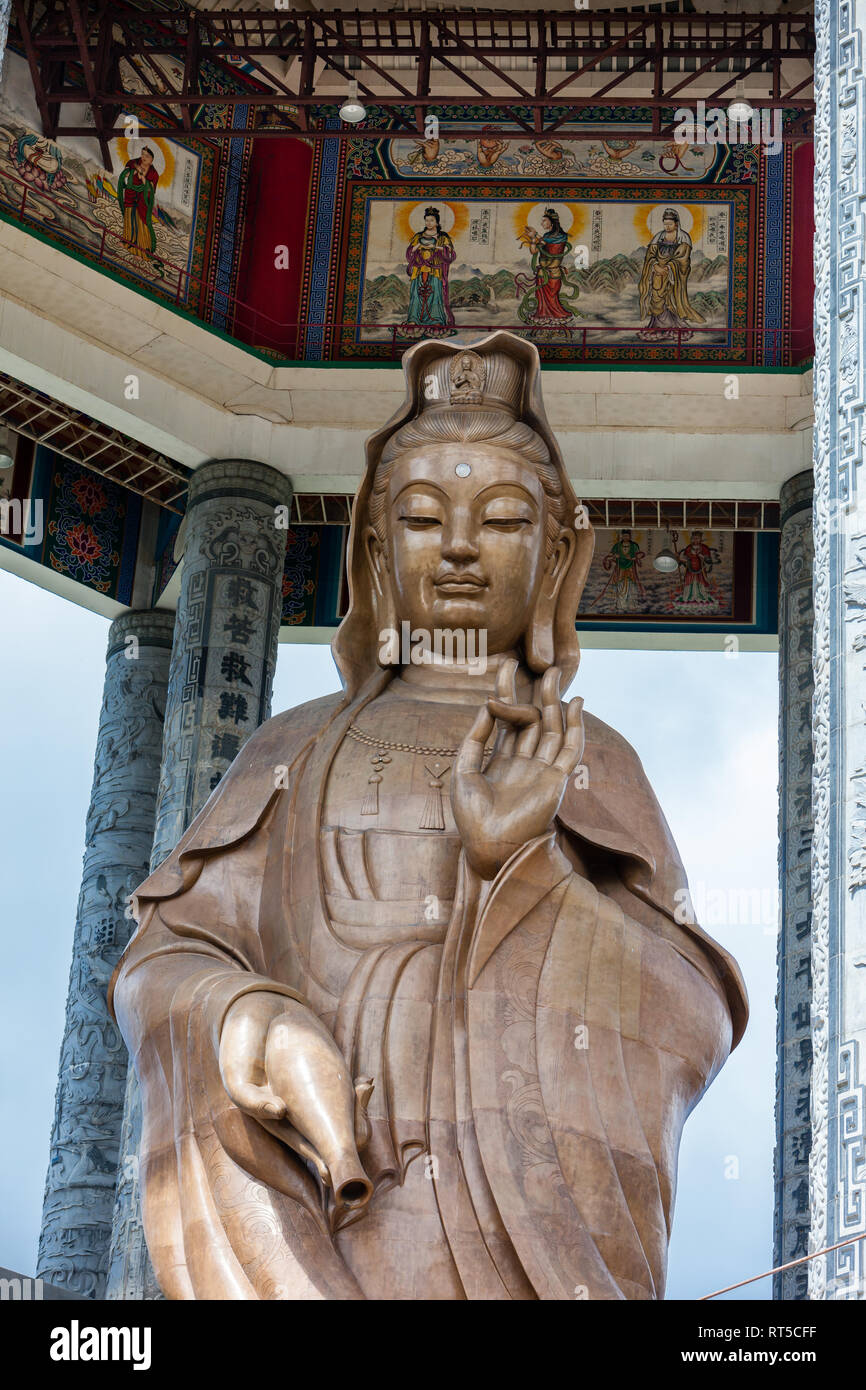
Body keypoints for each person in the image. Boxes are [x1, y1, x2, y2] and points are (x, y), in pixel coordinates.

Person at [111, 331, 746, 1300]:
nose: (455, 545)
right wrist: (239, 1014)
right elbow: (163, 958)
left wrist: (519, 868)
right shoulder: (292, 748)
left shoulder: (586, 756)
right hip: (316, 1189)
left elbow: (687, 1010)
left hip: (508, 1224)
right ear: (373, 542)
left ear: (553, 552)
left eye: (497, 518)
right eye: (419, 516)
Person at [638, 207, 704, 340]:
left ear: (676, 223)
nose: (667, 227)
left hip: (673, 276)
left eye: (670, 224)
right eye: (665, 224)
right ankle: (657, 326)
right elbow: (650, 256)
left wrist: (669, 267)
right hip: (657, 274)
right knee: (656, 299)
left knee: (671, 300)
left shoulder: (683, 238)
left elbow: (683, 259)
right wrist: (655, 265)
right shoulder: (659, 236)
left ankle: (673, 327)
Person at [401, 207, 456, 338]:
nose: (429, 223)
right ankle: (413, 320)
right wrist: (418, 246)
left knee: (435, 295)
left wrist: (435, 247)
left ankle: (436, 320)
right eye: (427, 220)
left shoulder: (443, 237)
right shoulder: (419, 236)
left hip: (435, 270)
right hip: (419, 271)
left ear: (437, 222)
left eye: (431, 220)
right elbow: (409, 252)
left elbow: (450, 254)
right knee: (416, 294)